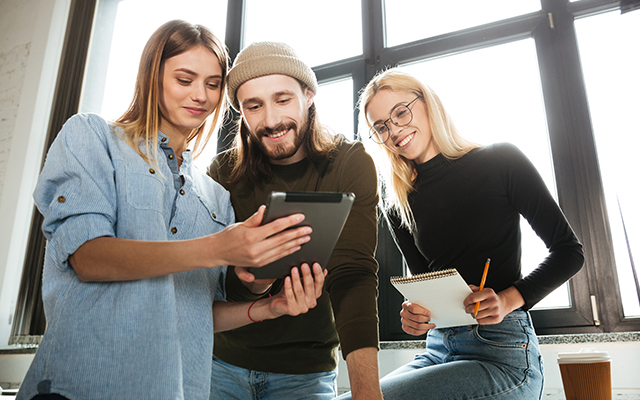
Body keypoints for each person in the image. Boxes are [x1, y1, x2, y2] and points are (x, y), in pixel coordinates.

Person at [17, 21, 326, 400]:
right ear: (152, 77)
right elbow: (87, 257)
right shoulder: (92, 137)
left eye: (213, 84)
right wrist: (219, 248)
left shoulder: (215, 196)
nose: (200, 95)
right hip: (82, 386)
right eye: (184, 79)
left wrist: (268, 307)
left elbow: (196, 311)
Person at [337, 68, 586, 399]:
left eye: (400, 112)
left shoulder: (501, 161)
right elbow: (427, 285)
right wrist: (418, 313)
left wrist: (507, 299)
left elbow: (570, 252)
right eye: (381, 127)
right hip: (439, 350)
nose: (394, 130)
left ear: (428, 103)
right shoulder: (398, 202)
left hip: (503, 355)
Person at [207, 41, 383, 400]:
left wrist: (367, 393)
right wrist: (256, 283)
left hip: (304, 373)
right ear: (241, 112)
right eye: (253, 106)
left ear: (308, 94)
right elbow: (210, 288)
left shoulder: (350, 163)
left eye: (282, 99)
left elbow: (354, 276)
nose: (270, 120)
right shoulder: (223, 173)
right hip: (220, 365)